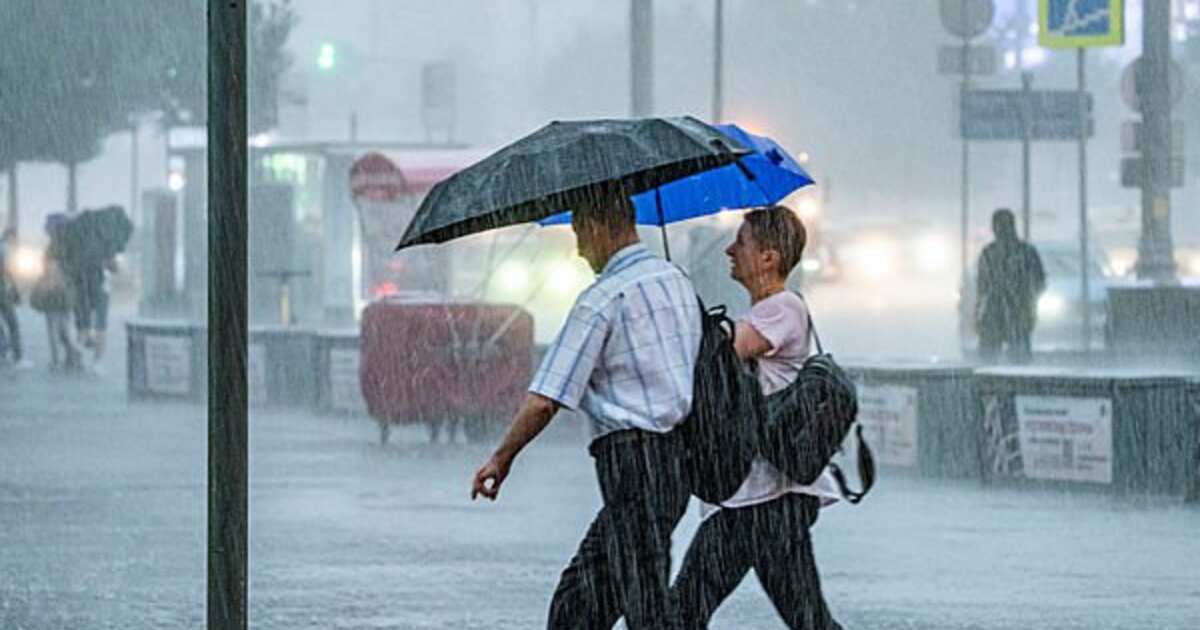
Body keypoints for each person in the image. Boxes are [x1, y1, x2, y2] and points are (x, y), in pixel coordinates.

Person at [470, 185, 702, 629]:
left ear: (597, 227)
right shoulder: (676, 282)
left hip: (633, 465)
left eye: (579, 233)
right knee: (582, 604)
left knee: (643, 603)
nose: (578, 249)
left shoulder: (602, 299)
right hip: (676, 464)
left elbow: (546, 400)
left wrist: (502, 457)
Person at [671, 206, 843, 629]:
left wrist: (676, 303)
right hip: (763, 498)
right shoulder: (769, 310)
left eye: (741, 243)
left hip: (765, 499)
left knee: (682, 613)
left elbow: (723, 355)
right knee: (808, 620)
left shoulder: (783, 307)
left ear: (769, 257)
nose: (730, 250)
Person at [975, 208, 1045, 364]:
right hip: (1013, 310)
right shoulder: (1026, 252)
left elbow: (982, 286)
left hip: (1002, 311)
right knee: (1017, 356)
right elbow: (1040, 282)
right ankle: (1016, 382)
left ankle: (992, 383)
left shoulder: (990, 252)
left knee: (991, 356)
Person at [33, 214, 82, 372]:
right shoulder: (72, 245)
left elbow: (50, 269)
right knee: (65, 325)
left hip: (54, 290)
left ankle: (57, 360)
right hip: (67, 290)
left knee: (54, 326)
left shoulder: (53, 247)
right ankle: (73, 354)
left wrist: (46, 282)